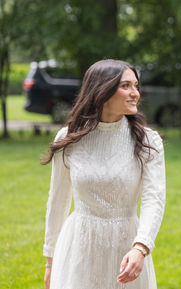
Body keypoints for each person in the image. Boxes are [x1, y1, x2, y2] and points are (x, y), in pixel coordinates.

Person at [42, 59, 166, 289]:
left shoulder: (148, 141)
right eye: (125, 86)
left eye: (136, 86)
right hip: (79, 249)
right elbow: (58, 201)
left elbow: (154, 199)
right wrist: (50, 261)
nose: (135, 93)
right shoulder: (68, 138)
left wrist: (141, 247)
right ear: (102, 90)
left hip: (128, 250)